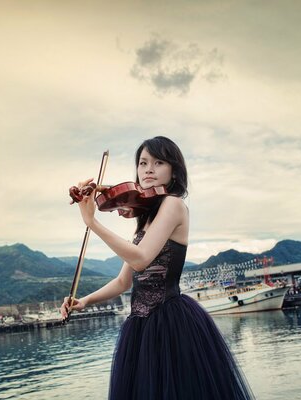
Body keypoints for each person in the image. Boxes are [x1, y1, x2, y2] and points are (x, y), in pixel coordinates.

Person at [60, 136, 255, 400]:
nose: (148, 169)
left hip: (171, 323)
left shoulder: (173, 205)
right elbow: (123, 281)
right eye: (142, 163)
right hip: (141, 327)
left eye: (158, 162)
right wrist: (84, 300)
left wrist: (91, 222)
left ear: (174, 170)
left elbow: (141, 258)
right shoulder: (145, 216)